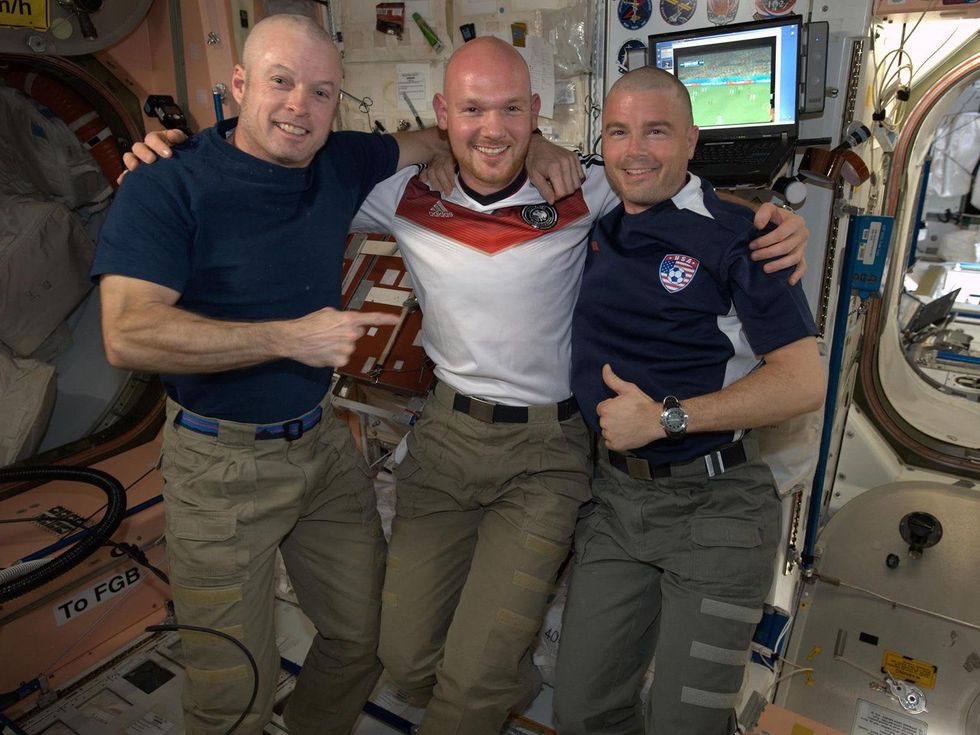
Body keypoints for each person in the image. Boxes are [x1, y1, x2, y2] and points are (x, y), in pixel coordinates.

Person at [126, 37, 808, 735]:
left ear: (536, 112)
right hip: (446, 439)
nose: (493, 127)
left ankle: (489, 681)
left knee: (470, 681)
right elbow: (279, 169)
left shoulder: (584, 184)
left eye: (512, 109)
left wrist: (766, 216)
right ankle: (509, 677)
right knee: (401, 654)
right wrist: (170, 157)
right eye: (474, 109)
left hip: (548, 450)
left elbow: (661, 182)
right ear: (444, 114)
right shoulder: (396, 192)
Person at [93, 14, 457, 735]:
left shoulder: (341, 161)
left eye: (322, 92)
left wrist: (537, 146)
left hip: (320, 447)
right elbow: (126, 332)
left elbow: (439, 139)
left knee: (362, 638)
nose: (300, 106)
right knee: (233, 697)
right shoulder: (166, 185)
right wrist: (290, 337)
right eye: (281, 82)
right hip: (217, 465)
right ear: (238, 86)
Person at [553, 66, 826, 735]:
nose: (635, 148)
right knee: (582, 709)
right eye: (618, 131)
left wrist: (667, 417)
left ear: (692, 140)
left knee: (684, 723)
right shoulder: (599, 214)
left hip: (717, 509)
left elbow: (803, 380)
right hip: (617, 503)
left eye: (657, 130)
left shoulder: (743, 234)